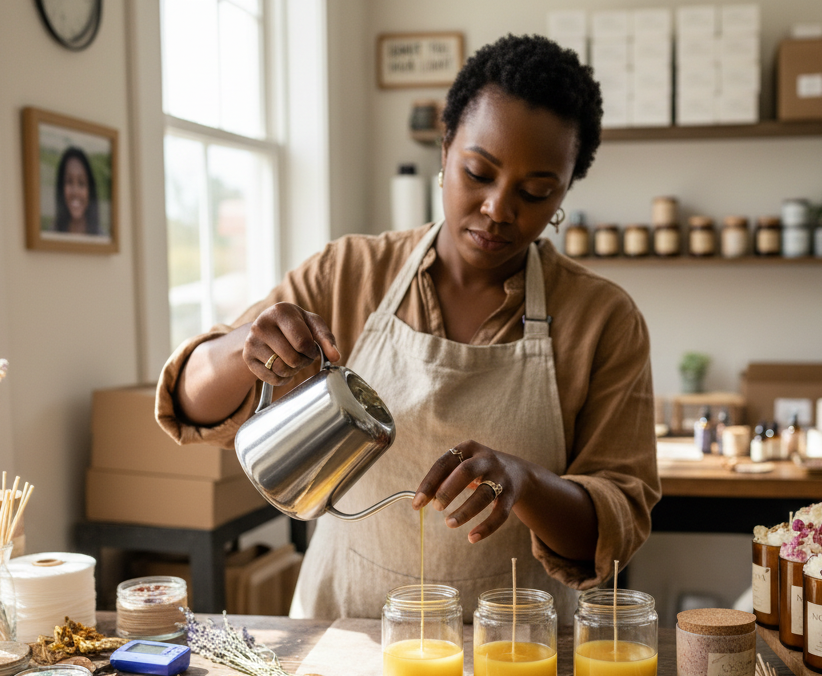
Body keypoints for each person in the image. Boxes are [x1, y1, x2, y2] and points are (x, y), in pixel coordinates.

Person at [158, 34, 660, 621]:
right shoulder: (349, 273)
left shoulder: (602, 320)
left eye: (535, 192)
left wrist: (526, 483)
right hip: (344, 633)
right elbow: (191, 401)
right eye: (478, 172)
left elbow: (614, 529)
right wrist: (245, 345)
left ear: (564, 193)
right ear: (445, 150)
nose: (499, 208)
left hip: (514, 652)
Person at [54, 146, 100, 235]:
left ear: (90, 190)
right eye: (69, 182)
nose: (75, 192)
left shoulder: (102, 238)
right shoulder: (50, 235)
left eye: (81, 183)